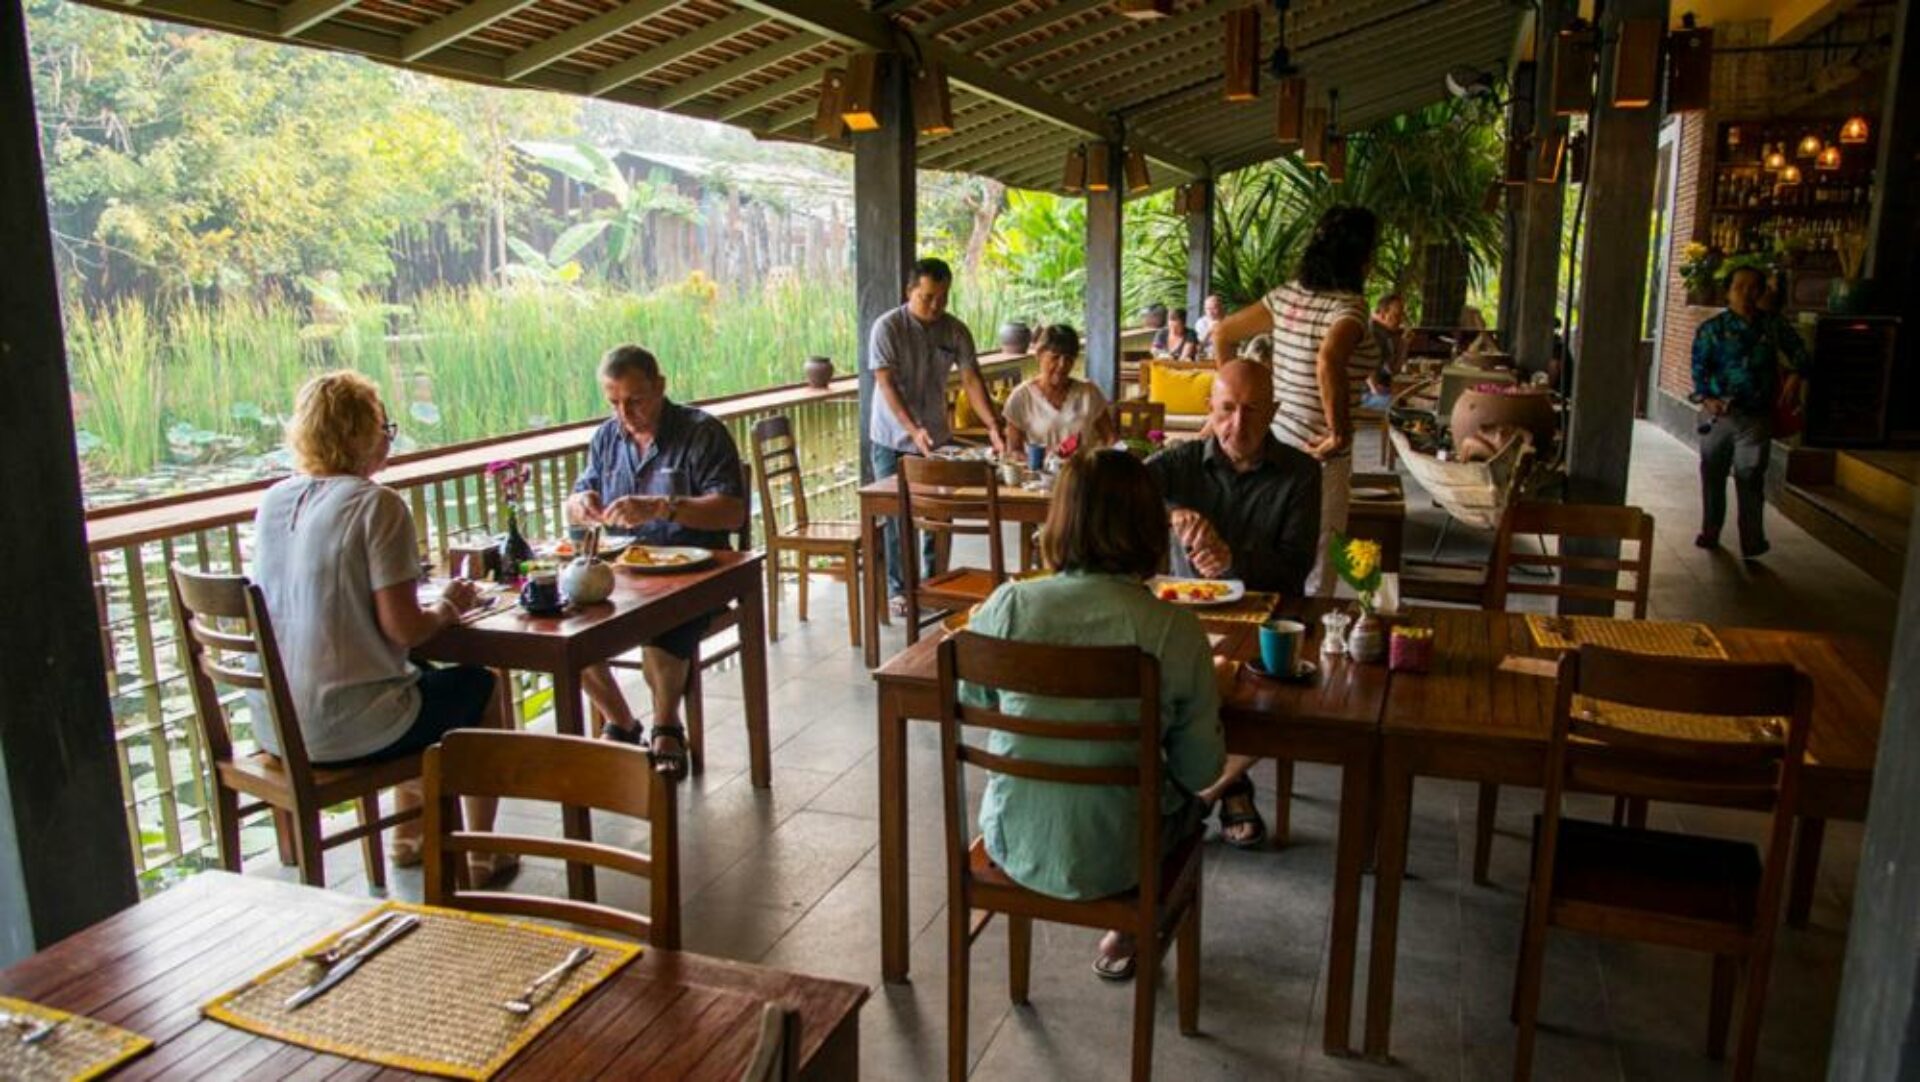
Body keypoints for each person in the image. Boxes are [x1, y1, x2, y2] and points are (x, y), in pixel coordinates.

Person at [960, 449, 1241, 980]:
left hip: (1013, 839)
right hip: (1124, 856)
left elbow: (974, 698)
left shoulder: (1008, 606)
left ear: (1058, 520)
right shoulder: (1173, 631)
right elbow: (1200, 770)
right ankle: (1137, 924)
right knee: (1206, 790)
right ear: (1148, 527)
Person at [249, 371, 513, 883]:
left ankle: (407, 836)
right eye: (383, 425)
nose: (388, 437)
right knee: (481, 685)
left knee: (414, 677)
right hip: (346, 729)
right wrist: (450, 606)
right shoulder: (377, 504)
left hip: (277, 726)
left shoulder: (274, 500)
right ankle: (484, 849)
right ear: (361, 434)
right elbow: (405, 629)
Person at [1146, 359, 1321, 849]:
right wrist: (1173, 511)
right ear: (1210, 408)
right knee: (1179, 675)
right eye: (1226, 410)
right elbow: (1123, 490)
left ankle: (1212, 790)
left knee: (1258, 687)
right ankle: (1229, 787)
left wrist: (1233, 557)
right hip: (1189, 614)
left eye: (1251, 411)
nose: (1236, 425)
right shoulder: (1180, 463)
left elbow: (1295, 567)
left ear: (1274, 411)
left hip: (1269, 614)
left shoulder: (1302, 473)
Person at [565, 345, 748, 777]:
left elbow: (732, 511)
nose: (624, 414)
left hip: (695, 569)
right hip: (626, 570)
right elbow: (581, 490)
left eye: (635, 400)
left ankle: (668, 723)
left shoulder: (702, 433)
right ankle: (622, 721)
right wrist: (579, 503)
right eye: (613, 402)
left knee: (668, 620)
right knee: (568, 625)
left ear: (660, 387)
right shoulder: (607, 438)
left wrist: (663, 507)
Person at [1205, 204, 1381, 597]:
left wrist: (1228, 406)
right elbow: (1329, 359)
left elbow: (1223, 334)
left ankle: (1256, 642)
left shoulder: (1286, 297)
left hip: (1272, 444)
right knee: (1318, 562)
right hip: (1319, 456)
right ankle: (1309, 643)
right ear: (1362, 258)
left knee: (1266, 550)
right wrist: (1339, 433)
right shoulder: (1348, 309)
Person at [868, 257, 1006, 617]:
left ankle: (936, 583)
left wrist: (993, 424)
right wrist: (913, 429)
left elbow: (972, 379)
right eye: (928, 297)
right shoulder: (887, 328)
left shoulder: (955, 330)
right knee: (899, 517)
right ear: (909, 291)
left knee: (939, 514)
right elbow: (886, 384)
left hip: (938, 438)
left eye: (943, 298)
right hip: (891, 437)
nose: (935, 306)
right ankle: (901, 590)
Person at [1690, 265, 1808, 560]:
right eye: (1739, 286)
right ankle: (1711, 530)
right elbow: (1699, 371)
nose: (1746, 293)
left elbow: (1802, 353)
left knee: (1751, 476)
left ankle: (1752, 539)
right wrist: (1707, 399)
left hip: (1756, 416)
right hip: (1718, 416)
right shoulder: (1712, 330)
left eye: (1753, 287)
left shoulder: (1773, 326)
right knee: (1713, 475)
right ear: (1728, 292)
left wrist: (1796, 375)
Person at [1002, 324, 1112, 454]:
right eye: (1055, 357)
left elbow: (1111, 438)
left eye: (1069, 359)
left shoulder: (1088, 393)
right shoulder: (1021, 397)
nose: (1062, 365)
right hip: (1038, 472)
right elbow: (1014, 451)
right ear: (1039, 355)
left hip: (1084, 472)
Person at [1363, 293, 1410, 410]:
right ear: (1383, 315)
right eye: (1397, 315)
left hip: (1377, 390)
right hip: (1362, 394)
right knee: (1402, 406)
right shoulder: (1372, 330)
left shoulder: (1385, 333)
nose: (1401, 320)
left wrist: (1404, 345)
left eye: (1402, 315)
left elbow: (1394, 370)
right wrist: (1375, 389)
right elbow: (1365, 361)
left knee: (1407, 400)